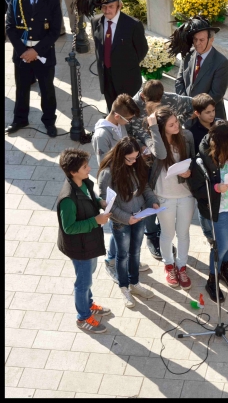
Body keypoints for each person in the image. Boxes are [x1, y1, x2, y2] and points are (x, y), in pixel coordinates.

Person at [127, 79, 193, 260]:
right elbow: (127, 132)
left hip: (166, 159)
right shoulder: (133, 106)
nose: (157, 104)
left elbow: (191, 104)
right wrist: (139, 146)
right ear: (142, 96)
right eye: (152, 101)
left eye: (160, 100)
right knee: (149, 200)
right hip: (145, 161)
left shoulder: (171, 99)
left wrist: (178, 127)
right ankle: (152, 237)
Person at [189, 120, 228, 301]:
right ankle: (211, 280)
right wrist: (216, 188)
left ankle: (225, 270)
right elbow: (196, 189)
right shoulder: (203, 158)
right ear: (223, 140)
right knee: (220, 246)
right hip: (219, 209)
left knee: (226, 243)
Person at [97, 136, 158, 308]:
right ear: (120, 155)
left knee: (136, 252)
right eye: (129, 158)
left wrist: (152, 200)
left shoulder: (137, 164)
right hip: (121, 222)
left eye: (135, 157)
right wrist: (126, 218)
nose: (133, 161)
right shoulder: (108, 173)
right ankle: (124, 287)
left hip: (139, 216)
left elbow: (144, 186)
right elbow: (106, 203)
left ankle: (135, 283)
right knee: (122, 256)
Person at [57, 148, 112, 334]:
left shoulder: (84, 182)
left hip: (89, 241)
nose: (89, 169)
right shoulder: (67, 199)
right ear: (73, 172)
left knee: (89, 275)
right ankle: (83, 317)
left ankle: (88, 305)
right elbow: (69, 228)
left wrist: (99, 202)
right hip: (79, 247)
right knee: (83, 283)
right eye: (85, 166)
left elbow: (91, 196)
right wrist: (95, 221)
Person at [5, 0, 60, 137]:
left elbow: (54, 32)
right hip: (22, 54)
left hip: (43, 53)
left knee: (47, 89)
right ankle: (20, 119)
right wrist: (23, 51)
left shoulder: (51, 1)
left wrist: (35, 51)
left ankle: (49, 121)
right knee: (21, 88)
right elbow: (10, 27)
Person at [74, 0, 148, 112]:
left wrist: (126, 66)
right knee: (113, 111)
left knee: (130, 113)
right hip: (106, 78)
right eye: (104, 7)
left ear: (119, 5)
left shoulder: (133, 25)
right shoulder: (96, 21)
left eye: (111, 6)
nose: (107, 10)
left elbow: (142, 50)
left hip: (127, 80)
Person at [145, 106, 197, 291]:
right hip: (164, 196)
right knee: (168, 234)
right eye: (171, 125)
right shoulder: (152, 140)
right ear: (161, 128)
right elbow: (161, 154)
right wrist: (153, 128)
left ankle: (181, 266)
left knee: (183, 233)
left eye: (177, 122)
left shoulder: (185, 137)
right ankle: (169, 265)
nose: (177, 126)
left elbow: (193, 160)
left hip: (185, 194)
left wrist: (190, 172)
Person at [92, 92, 142, 283]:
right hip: (115, 186)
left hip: (127, 182)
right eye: (127, 119)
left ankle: (127, 258)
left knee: (124, 233)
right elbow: (104, 164)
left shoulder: (119, 127)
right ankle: (111, 260)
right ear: (116, 116)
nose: (128, 122)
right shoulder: (102, 135)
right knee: (118, 229)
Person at [171, 16, 228, 120]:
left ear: (211, 40)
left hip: (209, 119)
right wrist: (186, 105)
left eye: (201, 40)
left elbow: (216, 94)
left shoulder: (221, 63)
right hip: (188, 115)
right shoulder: (188, 55)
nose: (197, 43)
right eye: (195, 39)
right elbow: (179, 82)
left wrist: (197, 110)